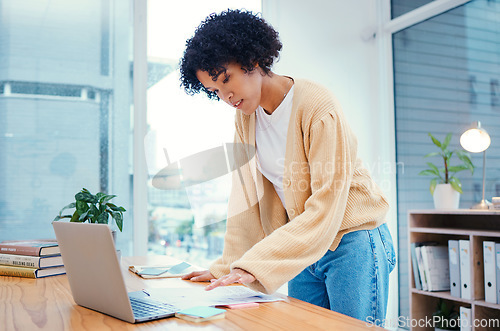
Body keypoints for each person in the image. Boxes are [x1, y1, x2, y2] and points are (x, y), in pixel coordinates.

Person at [179, 9, 396, 323]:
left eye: (227, 80)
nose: (226, 96)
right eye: (215, 91)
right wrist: (226, 267)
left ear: (251, 60)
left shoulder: (316, 106)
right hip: (303, 246)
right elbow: (246, 200)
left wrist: (255, 264)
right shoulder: (245, 119)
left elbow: (326, 205)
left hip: (352, 241)